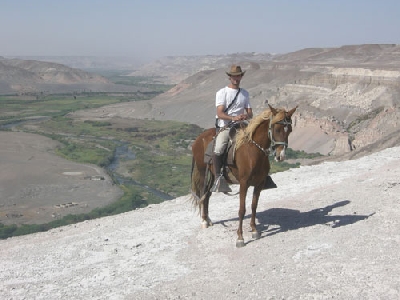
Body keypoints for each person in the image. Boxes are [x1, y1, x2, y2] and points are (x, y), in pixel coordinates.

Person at [211, 65, 253, 192]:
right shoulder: (222, 92)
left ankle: (262, 174)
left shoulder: (245, 93)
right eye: (234, 76)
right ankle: (218, 178)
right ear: (230, 77)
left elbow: (250, 112)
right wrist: (233, 118)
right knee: (219, 147)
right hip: (226, 126)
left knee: (259, 141)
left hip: (241, 125)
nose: (236, 78)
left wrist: (245, 115)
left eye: (238, 75)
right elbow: (220, 113)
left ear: (241, 76)